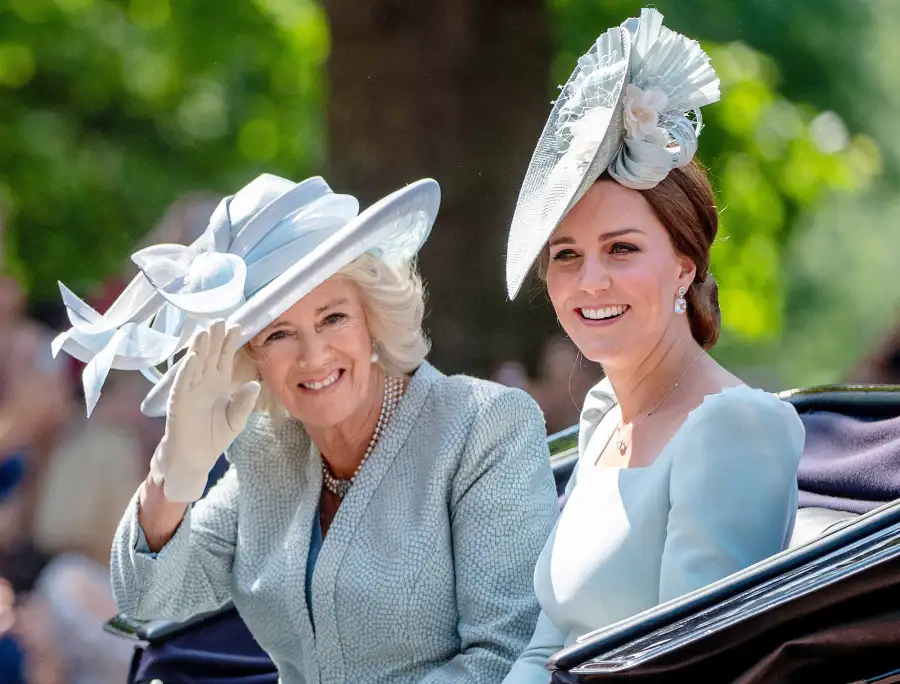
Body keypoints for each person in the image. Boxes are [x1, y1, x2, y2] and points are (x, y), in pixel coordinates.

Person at [52, 174, 560, 683]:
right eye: (279, 333)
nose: (313, 356)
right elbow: (149, 599)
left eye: (332, 318)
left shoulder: (483, 425)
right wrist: (175, 471)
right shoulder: (267, 448)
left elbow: (505, 655)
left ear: (372, 316)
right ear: (251, 355)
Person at [500, 8, 806, 681]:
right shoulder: (606, 418)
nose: (590, 281)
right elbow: (544, 645)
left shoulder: (734, 426)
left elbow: (689, 667)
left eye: (622, 249)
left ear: (684, 267)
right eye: (567, 255)